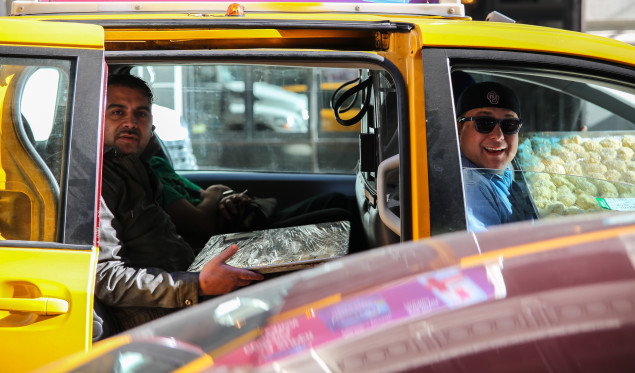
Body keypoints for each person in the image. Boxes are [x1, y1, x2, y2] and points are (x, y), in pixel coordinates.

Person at [95, 74, 264, 334]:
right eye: (117, 112)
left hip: (185, 292)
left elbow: (162, 242)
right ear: (96, 118)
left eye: (141, 114)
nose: (131, 122)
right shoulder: (95, 183)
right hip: (156, 318)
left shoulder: (139, 169)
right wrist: (197, 285)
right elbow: (105, 278)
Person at [456, 81, 535, 231]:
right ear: (459, 129)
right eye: (484, 123)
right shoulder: (470, 186)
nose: (498, 136)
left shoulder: (508, 169)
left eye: (509, 124)